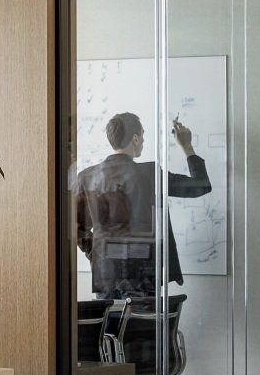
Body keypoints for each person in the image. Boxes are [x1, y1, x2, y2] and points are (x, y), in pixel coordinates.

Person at [75, 112, 212, 298]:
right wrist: (187, 147)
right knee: (142, 318)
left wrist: (96, 252)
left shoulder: (87, 177)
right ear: (135, 139)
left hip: (106, 274)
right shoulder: (150, 174)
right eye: (143, 135)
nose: (143, 140)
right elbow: (200, 186)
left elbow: (75, 227)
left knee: (109, 318)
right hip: (143, 276)